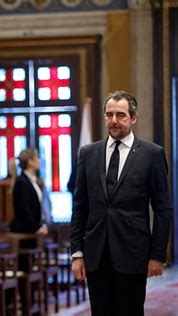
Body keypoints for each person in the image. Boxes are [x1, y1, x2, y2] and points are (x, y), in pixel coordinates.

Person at [70, 91, 172, 315]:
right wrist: (77, 253)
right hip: (96, 255)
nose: (114, 120)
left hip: (133, 253)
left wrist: (157, 255)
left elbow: (163, 209)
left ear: (133, 118)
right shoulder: (88, 153)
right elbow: (79, 207)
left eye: (120, 115)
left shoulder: (152, 154)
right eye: (109, 114)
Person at [9, 148, 48, 237]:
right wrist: (37, 228)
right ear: (30, 162)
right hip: (26, 231)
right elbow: (24, 210)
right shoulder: (22, 182)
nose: (39, 160)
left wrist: (41, 225)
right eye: (37, 158)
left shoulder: (32, 180)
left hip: (33, 229)